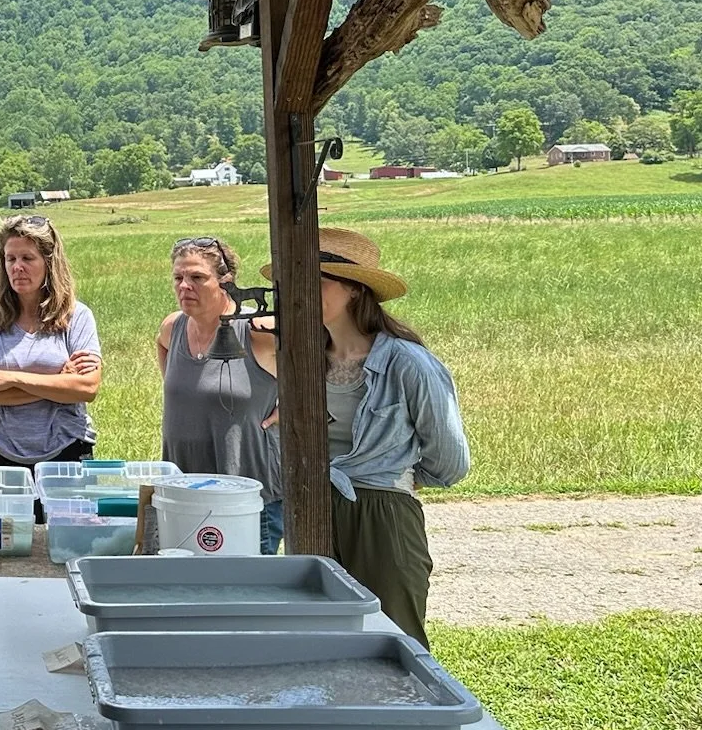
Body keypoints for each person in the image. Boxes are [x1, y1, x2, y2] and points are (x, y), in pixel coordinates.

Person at [260, 228, 469, 645]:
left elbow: (450, 460)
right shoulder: (302, 360)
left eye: (317, 280)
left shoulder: (407, 363)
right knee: (320, 640)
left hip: (381, 514)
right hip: (311, 505)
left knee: (392, 642)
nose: (300, 292)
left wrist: (392, 475)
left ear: (355, 290)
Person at [158, 236, 284, 553]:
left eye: (197, 277)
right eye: (178, 278)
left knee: (245, 594)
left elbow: (326, 357)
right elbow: (162, 349)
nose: (185, 286)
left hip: (246, 499)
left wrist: (293, 406)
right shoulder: (173, 328)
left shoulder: (258, 330)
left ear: (225, 282)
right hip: (183, 497)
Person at [0, 214, 103, 503]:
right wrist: (58, 384)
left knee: (66, 543)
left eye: (28, 258)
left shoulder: (77, 317)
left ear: (49, 262)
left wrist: (10, 378)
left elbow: (87, 389)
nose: (17, 267)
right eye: (10, 258)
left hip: (66, 451)